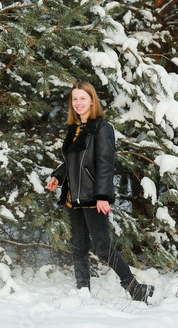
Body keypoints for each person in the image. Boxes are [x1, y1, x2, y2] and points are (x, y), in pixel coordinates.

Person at [46, 82, 155, 303]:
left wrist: (103, 196)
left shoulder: (103, 129)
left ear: (92, 101)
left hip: (93, 198)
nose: (78, 103)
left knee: (103, 249)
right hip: (73, 198)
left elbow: (105, 164)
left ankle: (136, 290)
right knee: (78, 248)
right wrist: (58, 175)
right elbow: (73, 161)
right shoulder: (75, 128)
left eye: (83, 99)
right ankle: (83, 293)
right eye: (74, 99)